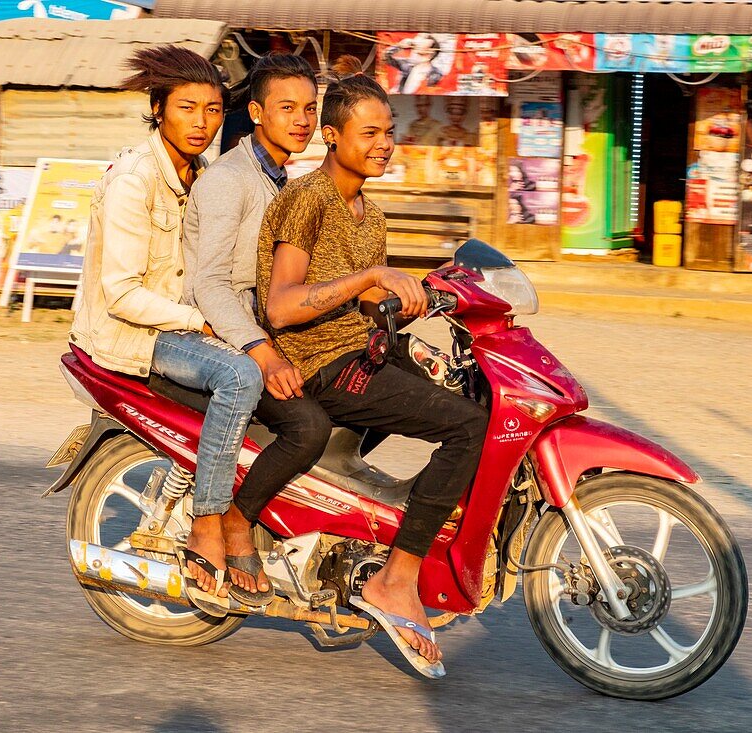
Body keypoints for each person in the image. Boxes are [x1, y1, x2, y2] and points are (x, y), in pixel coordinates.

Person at [231, 56, 489, 668]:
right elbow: (285, 305)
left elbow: (359, 289)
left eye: (389, 132)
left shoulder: (367, 210)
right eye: (369, 134)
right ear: (332, 136)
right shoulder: (309, 200)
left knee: (475, 394)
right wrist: (372, 278)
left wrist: (425, 294)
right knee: (466, 427)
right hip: (315, 362)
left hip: (357, 346)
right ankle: (396, 578)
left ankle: (364, 526)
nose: (384, 145)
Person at [69, 45, 263, 605]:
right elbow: (122, 293)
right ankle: (209, 520)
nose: (202, 122)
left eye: (212, 109)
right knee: (241, 376)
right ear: (159, 109)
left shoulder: (203, 174)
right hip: (133, 335)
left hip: (175, 324)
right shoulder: (135, 178)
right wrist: (201, 321)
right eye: (187, 108)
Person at [182, 52, 318, 605]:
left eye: (310, 108)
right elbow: (210, 285)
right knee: (305, 424)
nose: (302, 119)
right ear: (257, 113)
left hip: (249, 328)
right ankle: (218, 520)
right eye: (287, 108)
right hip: (203, 332)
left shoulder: (285, 180)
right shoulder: (229, 180)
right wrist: (263, 353)